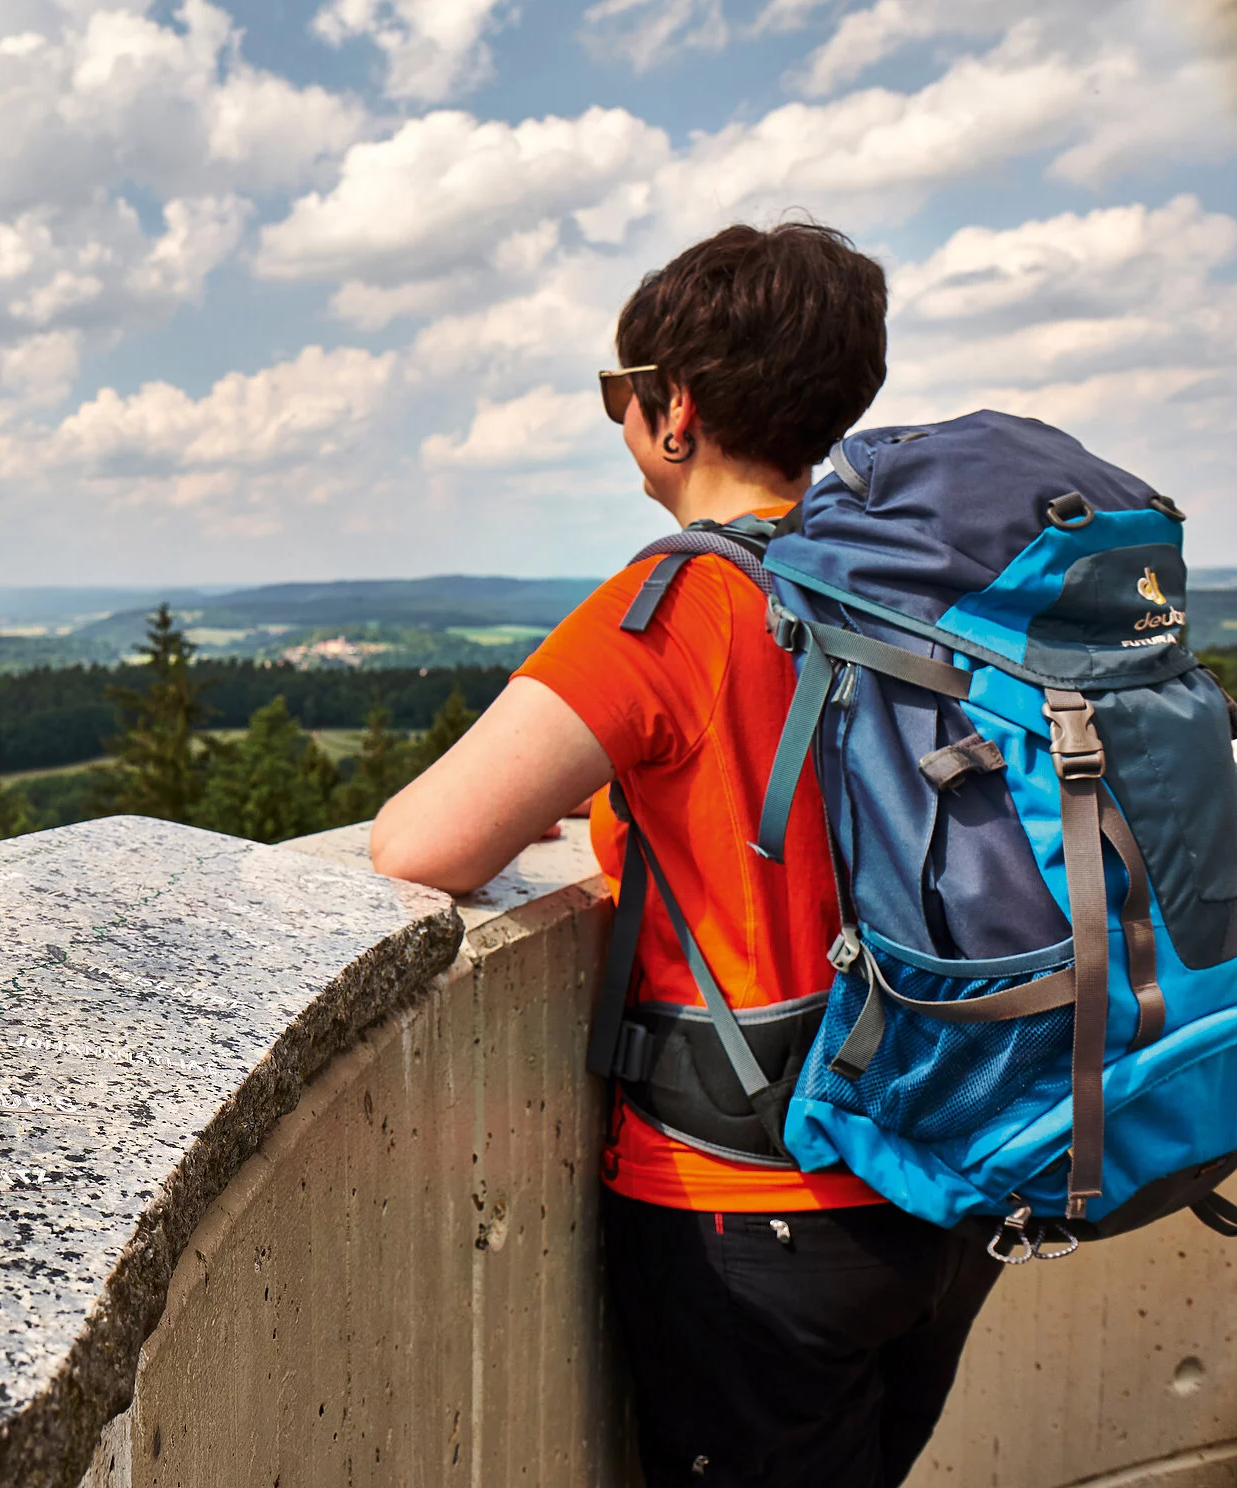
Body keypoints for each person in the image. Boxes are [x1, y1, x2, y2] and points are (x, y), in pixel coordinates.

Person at [368, 223, 1002, 1488]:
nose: (623, 422)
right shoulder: (927, 589)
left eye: (624, 393)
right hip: (952, 1175)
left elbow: (417, 845)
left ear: (676, 414)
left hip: (753, 1210)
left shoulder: (672, 608)